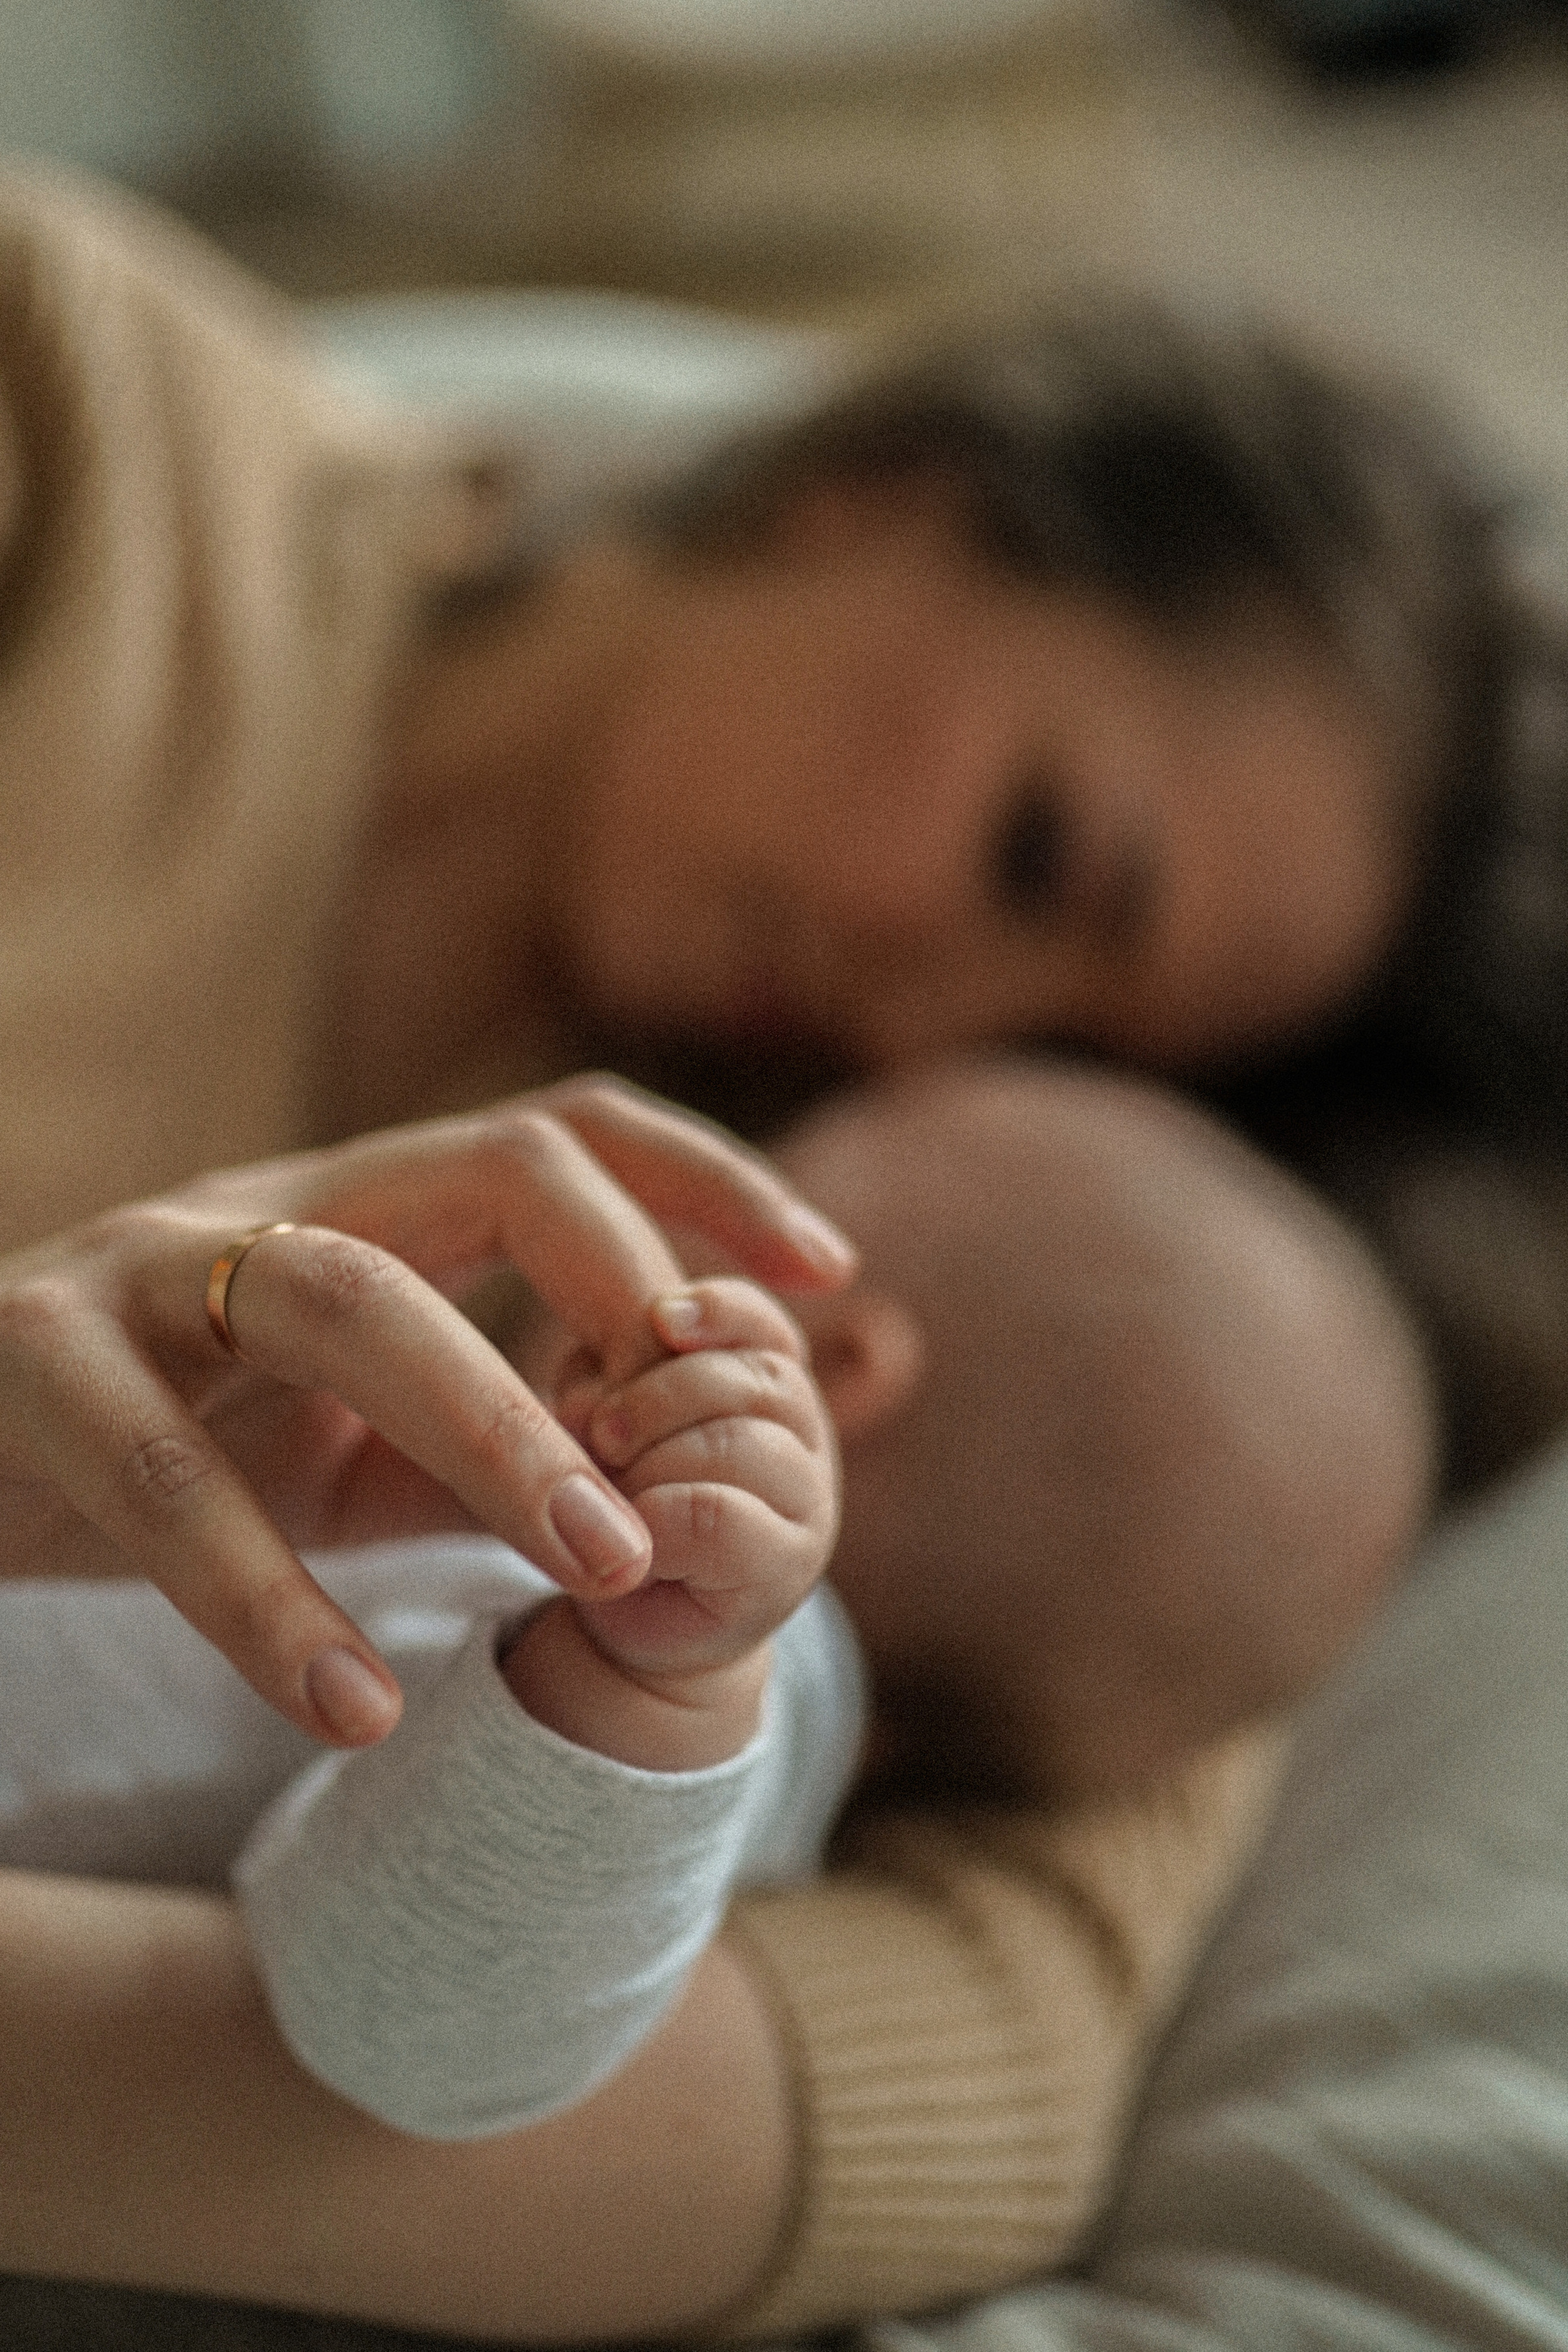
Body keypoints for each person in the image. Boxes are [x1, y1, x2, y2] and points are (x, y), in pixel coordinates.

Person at [0, 1059, 1434, 2339]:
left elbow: (396, 2027)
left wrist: (642, 1681)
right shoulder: (464, 1485)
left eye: (792, 1151)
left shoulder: (729, 1694)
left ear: (832, 1363)